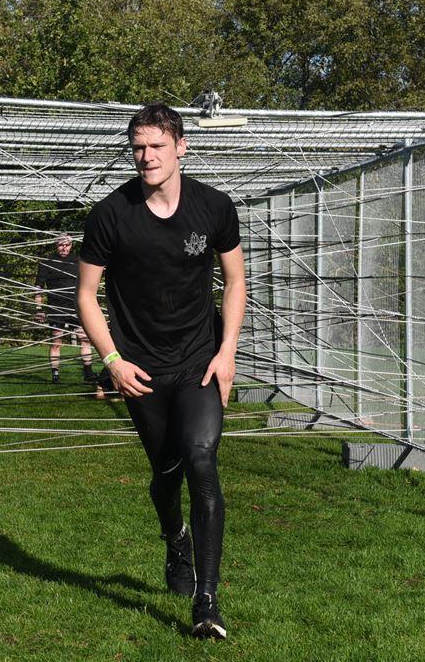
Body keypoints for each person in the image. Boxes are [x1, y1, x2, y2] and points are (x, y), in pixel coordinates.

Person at [77, 103, 246, 639]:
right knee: (166, 473)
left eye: (156, 146)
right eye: (138, 147)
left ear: (181, 147)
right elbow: (85, 294)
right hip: (141, 370)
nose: (146, 156)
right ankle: (175, 538)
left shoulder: (214, 207)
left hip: (199, 361)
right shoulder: (111, 215)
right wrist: (113, 361)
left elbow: (235, 282)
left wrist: (227, 351)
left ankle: (207, 601)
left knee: (201, 459)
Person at [34, 233, 96, 385]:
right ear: (56, 245)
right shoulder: (47, 262)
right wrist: (38, 308)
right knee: (56, 341)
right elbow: (38, 288)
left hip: (76, 306)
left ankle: (88, 373)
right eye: (61, 245)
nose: (64, 248)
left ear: (71, 245)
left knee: (84, 339)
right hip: (56, 307)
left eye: (67, 245)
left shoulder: (78, 261)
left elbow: (88, 282)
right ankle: (55, 374)